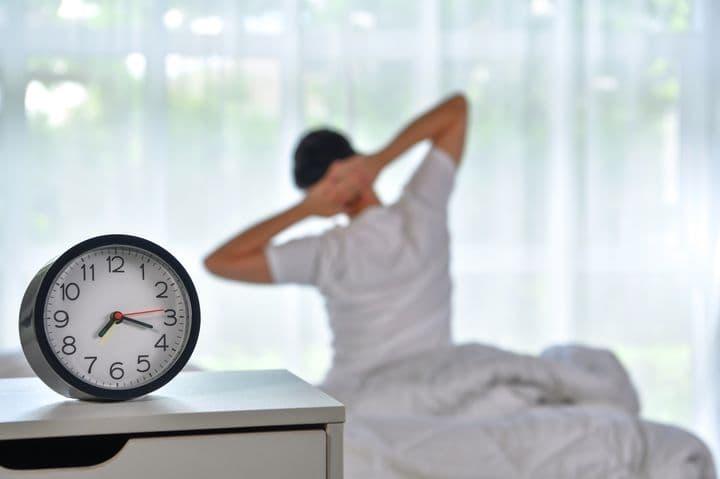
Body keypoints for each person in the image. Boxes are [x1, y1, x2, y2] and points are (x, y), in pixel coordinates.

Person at [205, 93, 468, 390]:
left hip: (364, 392)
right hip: (427, 385)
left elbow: (220, 261)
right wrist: (378, 161)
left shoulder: (328, 251)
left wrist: (305, 209)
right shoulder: (422, 210)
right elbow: (457, 111)